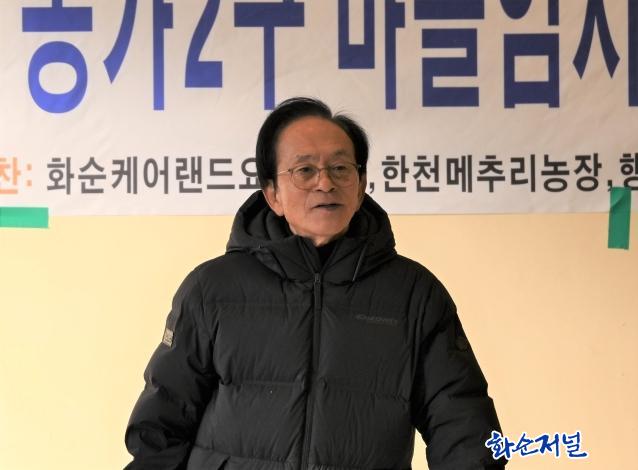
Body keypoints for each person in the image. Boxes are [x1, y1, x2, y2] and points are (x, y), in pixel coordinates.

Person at [125, 97, 506, 470]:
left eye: (340, 168)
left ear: (361, 186)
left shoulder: (414, 294)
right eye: (305, 170)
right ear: (272, 194)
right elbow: (162, 425)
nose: (325, 182)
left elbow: (463, 425)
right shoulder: (212, 289)